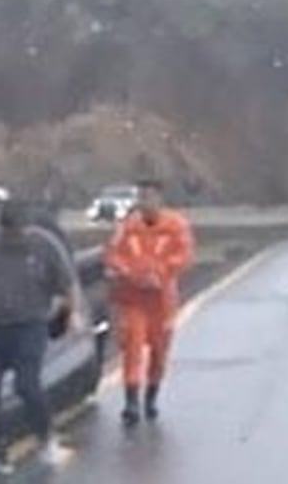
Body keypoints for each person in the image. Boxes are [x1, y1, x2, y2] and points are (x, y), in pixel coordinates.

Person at [0, 199, 76, 473]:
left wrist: (71, 314)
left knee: (26, 385)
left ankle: (47, 438)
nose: (12, 239)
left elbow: (66, 284)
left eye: (17, 233)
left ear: (27, 228)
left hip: (28, 327)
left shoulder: (45, 247)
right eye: (7, 233)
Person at [104, 177, 195, 427]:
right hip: (133, 298)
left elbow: (185, 255)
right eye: (141, 197)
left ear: (159, 198)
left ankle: (151, 397)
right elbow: (113, 254)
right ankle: (131, 402)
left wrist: (162, 272)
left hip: (162, 300)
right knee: (132, 347)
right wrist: (128, 273)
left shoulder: (176, 225)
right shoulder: (127, 227)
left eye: (149, 197)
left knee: (159, 351)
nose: (144, 202)